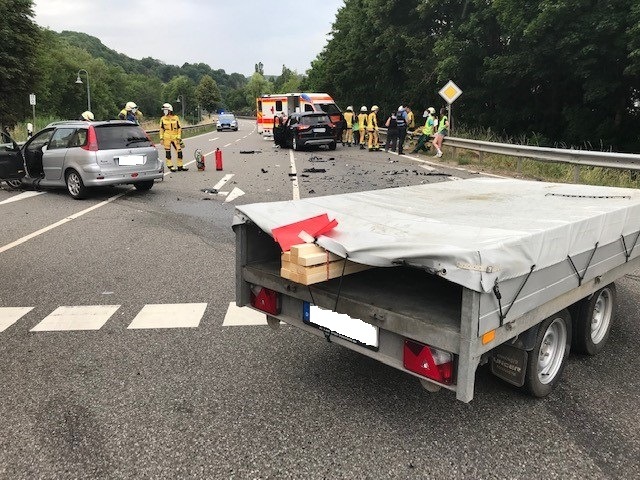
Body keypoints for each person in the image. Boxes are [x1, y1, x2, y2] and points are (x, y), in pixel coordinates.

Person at [159, 102, 187, 171]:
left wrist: (179, 137)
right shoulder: (163, 119)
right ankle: (170, 166)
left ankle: (180, 166)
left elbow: (179, 128)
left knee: (179, 152)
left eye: (166, 110)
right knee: (168, 152)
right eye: (164, 110)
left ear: (170, 110)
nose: (164, 111)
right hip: (166, 137)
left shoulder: (176, 118)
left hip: (175, 137)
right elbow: (161, 129)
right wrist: (161, 138)